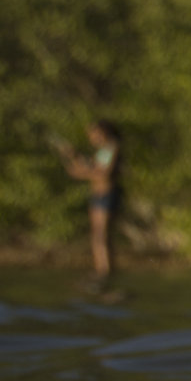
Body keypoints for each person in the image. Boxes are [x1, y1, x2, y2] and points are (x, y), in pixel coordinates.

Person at [57, 119, 122, 283]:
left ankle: (105, 274)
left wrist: (79, 174)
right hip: (97, 196)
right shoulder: (102, 151)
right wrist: (74, 156)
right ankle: (100, 270)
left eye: (94, 134)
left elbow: (103, 173)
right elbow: (92, 166)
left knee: (102, 236)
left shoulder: (112, 148)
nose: (92, 138)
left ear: (104, 132)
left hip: (107, 195)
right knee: (97, 236)